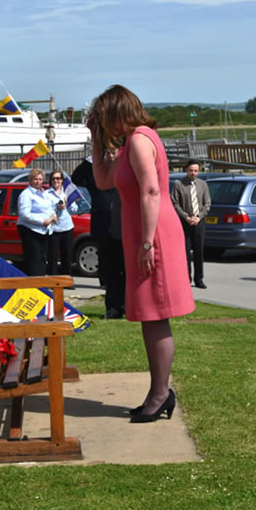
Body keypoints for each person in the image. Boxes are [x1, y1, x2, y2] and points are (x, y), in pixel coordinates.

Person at [89, 84, 195, 423]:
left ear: (117, 113)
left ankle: (161, 394)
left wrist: (147, 244)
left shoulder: (139, 140)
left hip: (154, 234)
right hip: (143, 233)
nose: (103, 124)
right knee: (149, 316)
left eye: (104, 118)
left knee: (156, 315)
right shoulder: (129, 142)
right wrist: (95, 138)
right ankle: (157, 392)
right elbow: (104, 181)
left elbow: (151, 191)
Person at [72, 155, 125, 319]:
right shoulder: (95, 173)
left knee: (127, 271)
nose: (110, 156)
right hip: (103, 229)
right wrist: (92, 158)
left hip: (123, 227)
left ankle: (129, 306)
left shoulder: (123, 170)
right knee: (110, 271)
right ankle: (113, 309)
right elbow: (76, 178)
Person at [171, 159, 211, 289]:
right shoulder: (179, 185)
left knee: (199, 251)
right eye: (191, 170)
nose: (193, 173)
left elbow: (207, 203)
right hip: (185, 222)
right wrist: (186, 217)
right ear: (186, 170)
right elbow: (175, 203)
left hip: (199, 222)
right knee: (186, 252)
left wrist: (199, 217)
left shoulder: (203, 185)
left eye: (196, 171)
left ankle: (199, 279)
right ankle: (186, 279)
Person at [17, 168, 57, 276]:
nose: (38, 181)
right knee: (33, 259)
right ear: (30, 180)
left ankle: (40, 281)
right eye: (35, 179)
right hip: (30, 230)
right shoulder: (26, 194)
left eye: (40, 179)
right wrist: (42, 221)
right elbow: (24, 214)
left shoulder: (44, 193)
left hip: (43, 231)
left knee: (42, 258)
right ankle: (33, 282)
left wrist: (53, 216)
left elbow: (49, 208)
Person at [46, 169, 76, 276]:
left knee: (67, 257)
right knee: (52, 257)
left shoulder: (67, 191)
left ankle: (66, 279)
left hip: (67, 228)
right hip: (54, 229)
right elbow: (45, 210)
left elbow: (74, 209)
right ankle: (53, 280)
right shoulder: (46, 194)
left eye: (58, 178)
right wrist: (56, 208)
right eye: (53, 178)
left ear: (62, 180)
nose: (56, 181)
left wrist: (68, 203)